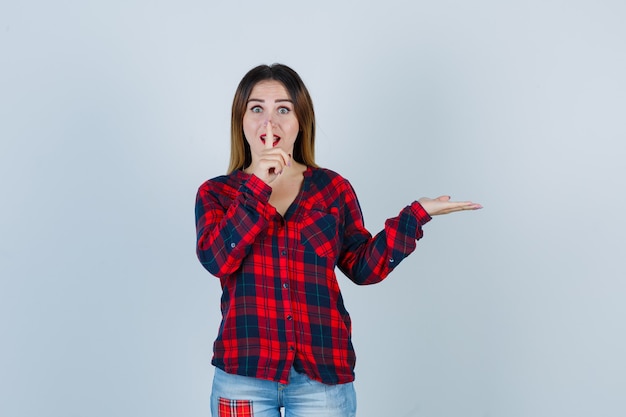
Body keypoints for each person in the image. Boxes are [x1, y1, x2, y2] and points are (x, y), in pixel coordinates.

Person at [195, 63, 482, 417]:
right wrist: (257, 186)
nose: (270, 122)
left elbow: (363, 267)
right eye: (257, 109)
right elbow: (216, 259)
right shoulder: (217, 194)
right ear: (241, 120)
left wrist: (416, 215)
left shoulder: (333, 189)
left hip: (322, 381)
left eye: (283, 109)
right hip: (243, 377)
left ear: (301, 120)